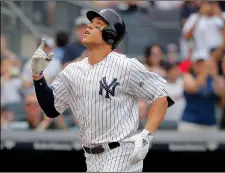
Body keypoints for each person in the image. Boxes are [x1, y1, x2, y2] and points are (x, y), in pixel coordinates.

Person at [30, 9, 174, 172]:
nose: (89, 26)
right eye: (91, 23)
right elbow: (51, 108)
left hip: (121, 153)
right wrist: (37, 75)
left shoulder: (126, 66)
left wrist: (146, 135)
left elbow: (161, 97)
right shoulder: (72, 71)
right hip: (90, 157)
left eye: (98, 24)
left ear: (110, 34)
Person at [179, 53, 225, 132]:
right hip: (190, 123)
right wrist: (204, 73)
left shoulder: (214, 79)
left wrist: (214, 74)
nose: (201, 66)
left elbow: (221, 95)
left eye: (203, 63)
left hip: (210, 124)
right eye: (198, 64)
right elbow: (193, 88)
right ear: (193, 65)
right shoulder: (188, 76)